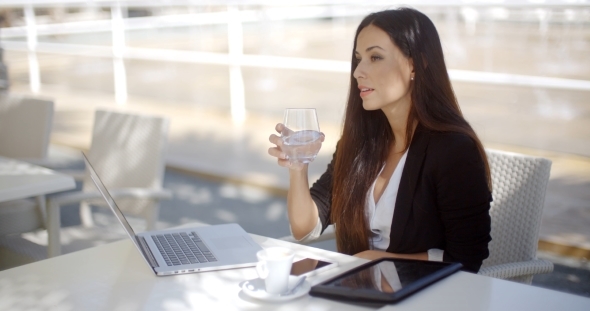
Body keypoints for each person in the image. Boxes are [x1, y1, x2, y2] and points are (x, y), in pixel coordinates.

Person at [268, 7, 492, 273]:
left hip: (423, 295)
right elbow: (305, 229)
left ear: (415, 64)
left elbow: (468, 259)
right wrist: (298, 166)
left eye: (375, 57)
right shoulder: (361, 144)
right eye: (359, 59)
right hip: (359, 290)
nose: (358, 72)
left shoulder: (453, 150)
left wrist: (380, 260)